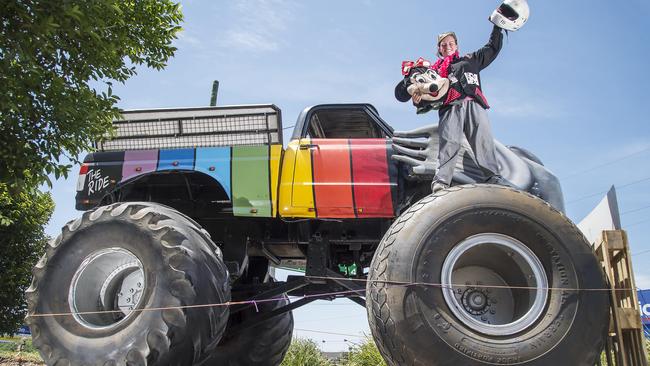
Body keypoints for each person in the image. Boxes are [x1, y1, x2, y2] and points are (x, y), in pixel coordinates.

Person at [412, 25, 508, 193]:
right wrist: (418, 100)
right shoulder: (434, 72)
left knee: (482, 139)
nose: (447, 46)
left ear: (456, 45)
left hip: (473, 104)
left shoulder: (471, 59)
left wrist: (497, 27)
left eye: (451, 43)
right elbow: (426, 94)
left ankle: (493, 176)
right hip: (450, 107)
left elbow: (492, 47)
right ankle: (442, 181)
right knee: (449, 142)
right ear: (439, 50)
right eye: (443, 45)